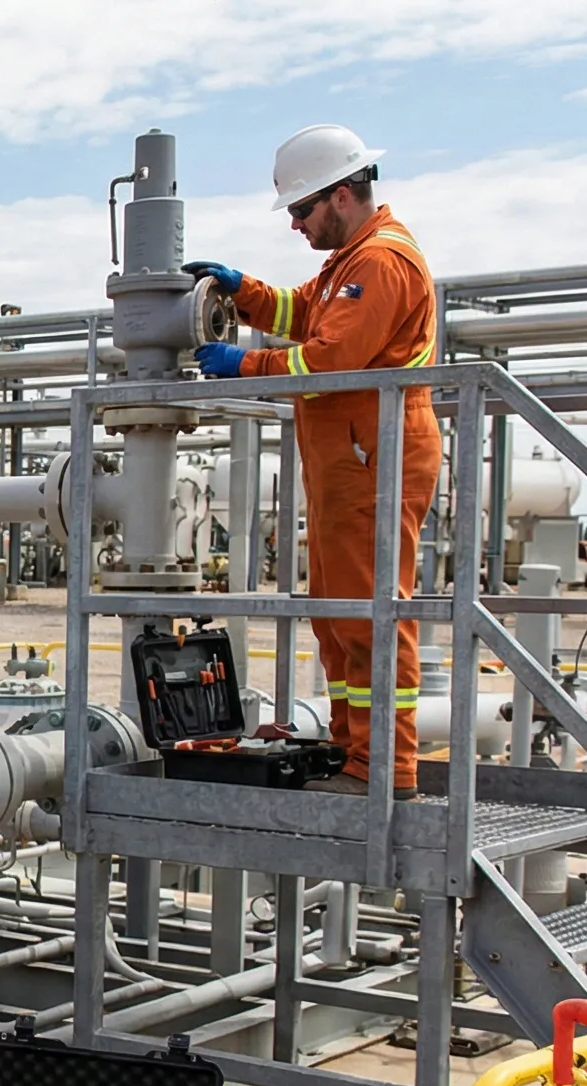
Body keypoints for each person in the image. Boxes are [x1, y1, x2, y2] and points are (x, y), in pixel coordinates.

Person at [186, 123, 438, 798]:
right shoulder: (348, 263)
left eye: (301, 209)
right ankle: (353, 747)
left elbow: (329, 361)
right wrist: (245, 294)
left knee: (371, 614)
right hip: (349, 458)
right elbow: (309, 316)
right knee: (336, 616)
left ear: (343, 195)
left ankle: (386, 767)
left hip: (373, 455)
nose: (296, 224)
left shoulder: (382, 262)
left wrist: (244, 364)